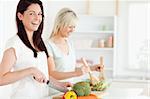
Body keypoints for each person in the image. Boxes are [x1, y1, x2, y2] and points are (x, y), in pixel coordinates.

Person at [0, 0, 71, 99]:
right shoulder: (14, 43)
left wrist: (59, 84)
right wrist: (30, 70)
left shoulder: (39, 42)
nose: (37, 18)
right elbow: (1, 79)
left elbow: (42, 74)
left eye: (39, 14)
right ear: (20, 16)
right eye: (31, 14)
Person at [46, 8, 103, 88]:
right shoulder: (48, 45)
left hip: (70, 90)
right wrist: (77, 73)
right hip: (55, 91)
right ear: (60, 24)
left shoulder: (70, 44)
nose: (72, 30)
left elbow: (70, 69)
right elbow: (52, 74)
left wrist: (92, 68)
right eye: (70, 27)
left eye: (74, 27)